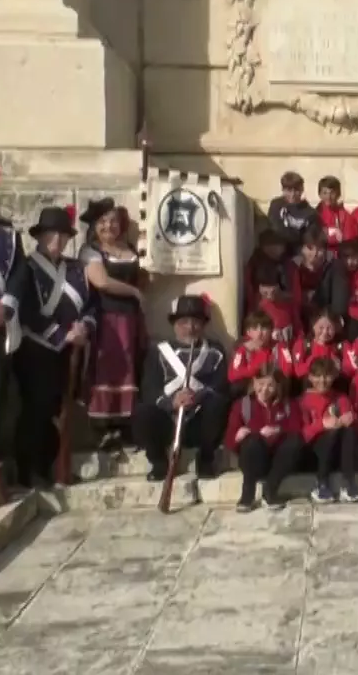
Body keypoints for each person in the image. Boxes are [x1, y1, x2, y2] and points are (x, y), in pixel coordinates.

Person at [11, 205, 93, 489]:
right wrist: (61, 335)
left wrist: (85, 327)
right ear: (40, 237)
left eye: (62, 236)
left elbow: (91, 307)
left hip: (70, 351)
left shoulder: (76, 270)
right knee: (37, 410)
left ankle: (52, 465)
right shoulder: (27, 268)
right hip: (36, 350)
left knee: (62, 409)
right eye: (51, 236)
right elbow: (27, 311)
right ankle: (30, 469)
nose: (56, 242)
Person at [132, 295, 230, 486]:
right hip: (168, 421)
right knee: (142, 412)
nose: (190, 327)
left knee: (218, 404)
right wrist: (172, 402)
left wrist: (197, 397)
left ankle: (206, 459)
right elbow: (149, 389)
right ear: (175, 324)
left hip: (199, 421)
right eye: (184, 322)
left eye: (196, 322)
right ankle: (159, 461)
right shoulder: (158, 351)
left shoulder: (215, 350)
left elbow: (221, 386)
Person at [80, 200, 147, 442]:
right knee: (108, 368)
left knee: (130, 365)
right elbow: (102, 282)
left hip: (130, 318)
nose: (109, 226)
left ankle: (126, 426)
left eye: (113, 221)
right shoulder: (91, 251)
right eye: (103, 222)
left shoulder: (129, 248)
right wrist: (135, 293)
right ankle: (103, 428)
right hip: (107, 318)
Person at [225, 364, 299, 512]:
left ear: (278, 386)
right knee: (252, 443)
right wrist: (239, 436)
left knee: (294, 443)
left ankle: (270, 491)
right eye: (261, 384)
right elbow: (229, 440)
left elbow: (298, 428)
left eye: (270, 385)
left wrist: (279, 429)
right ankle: (247, 494)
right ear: (254, 382)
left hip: (278, 461)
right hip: (254, 460)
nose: (265, 389)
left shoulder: (287, 404)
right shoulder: (242, 405)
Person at [299, 356, 358, 504]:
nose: (322, 381)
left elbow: (355, 428)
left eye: (327, 376)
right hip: (316, 453)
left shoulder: (341, 398)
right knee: (330, 433)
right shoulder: (304, 401)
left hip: (339, 452)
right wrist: (322, 425)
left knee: (348, 431)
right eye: (318, 376)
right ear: (310, 377)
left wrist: (351, 419)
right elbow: (303, 434)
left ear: (333, 376)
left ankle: (349, 482)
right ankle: (321, 483)